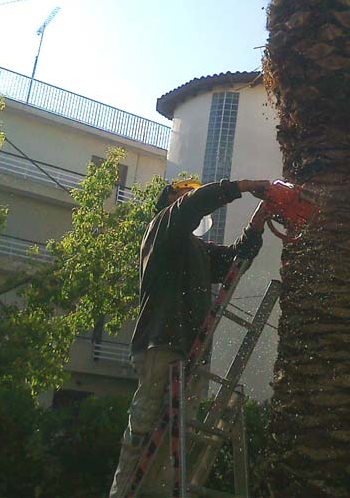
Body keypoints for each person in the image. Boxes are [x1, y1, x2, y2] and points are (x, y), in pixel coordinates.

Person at [110, 178, 271, 498]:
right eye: (185, 190)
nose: (191, 194)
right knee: (144, 427)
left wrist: (258, 221)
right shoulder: (161, 227)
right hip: (161, 344)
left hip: (190, 352)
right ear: (170, 199)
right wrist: (243, 186)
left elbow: (233, 261)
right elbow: (192, 205)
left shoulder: (196, 248)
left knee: (176, 438)